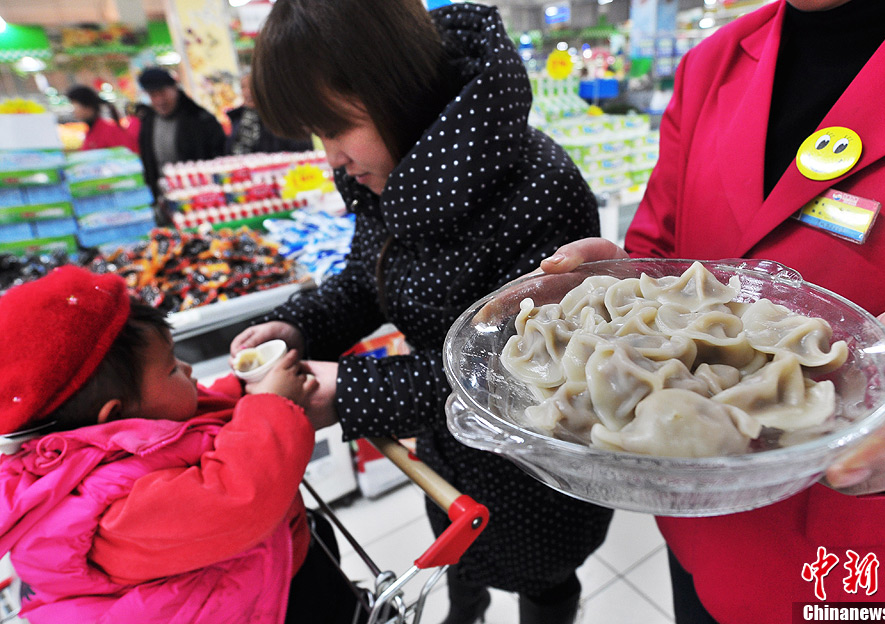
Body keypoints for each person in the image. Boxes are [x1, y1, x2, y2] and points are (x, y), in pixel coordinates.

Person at [539, 0, 885, 622]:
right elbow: (662, 250)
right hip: (697, 523)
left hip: (870, 562)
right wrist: (623, 285)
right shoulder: (712, 63)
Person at [232, 1, 614, 623]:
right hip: (447, 456)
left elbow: (523, 376)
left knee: (543, 580)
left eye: (335, 128)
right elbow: (367, 281)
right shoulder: (392, 174)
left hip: (535, 474)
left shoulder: (537, 191)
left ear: (392, 86)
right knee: (459, 558)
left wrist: (350, 393)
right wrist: (300, 325)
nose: (331, 158)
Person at [0, 266, 362, 624]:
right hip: (266, 605)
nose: (189, 370)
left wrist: (240, 388)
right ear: (115, 414)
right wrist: (270, 407)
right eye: (172, 367)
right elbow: (238, 498)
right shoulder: (111, 512)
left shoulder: (113, 434)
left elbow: (188, 421)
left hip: (269, 566)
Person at [136, 67, 226, 203]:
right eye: (153, 95)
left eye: (162, 93)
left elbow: (219, 159)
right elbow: (149, 162)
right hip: (166, 197)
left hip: (202, 198)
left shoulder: (200, 119)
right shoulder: (149, 122)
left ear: (175, 89)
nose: (160, 100)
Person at [226, 73, 313, 155]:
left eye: (252, 86)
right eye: (243, 87)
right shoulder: (237, 118)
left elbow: (301, 148)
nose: (247, 92)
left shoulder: (283, 116)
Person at [65, 85, 139, 153]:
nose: (73, 110)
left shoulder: (108, 131)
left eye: (74, 104)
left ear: (87, 106)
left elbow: (129, 156)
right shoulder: (91, 131)